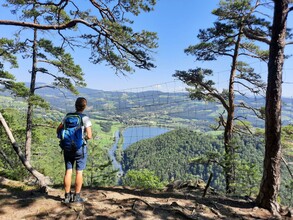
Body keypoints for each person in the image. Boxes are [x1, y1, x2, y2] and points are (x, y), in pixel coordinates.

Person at [57, 97, 92, 203]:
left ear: (75, 105)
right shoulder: (85, 118)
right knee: (79, 172)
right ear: (84, 107)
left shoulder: (67, 116)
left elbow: (58, 129)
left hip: (67, 148)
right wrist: (82, 139)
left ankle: (67, 197)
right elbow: (89, 136)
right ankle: (77, 197)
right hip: (79, 149)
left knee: (68, 171)